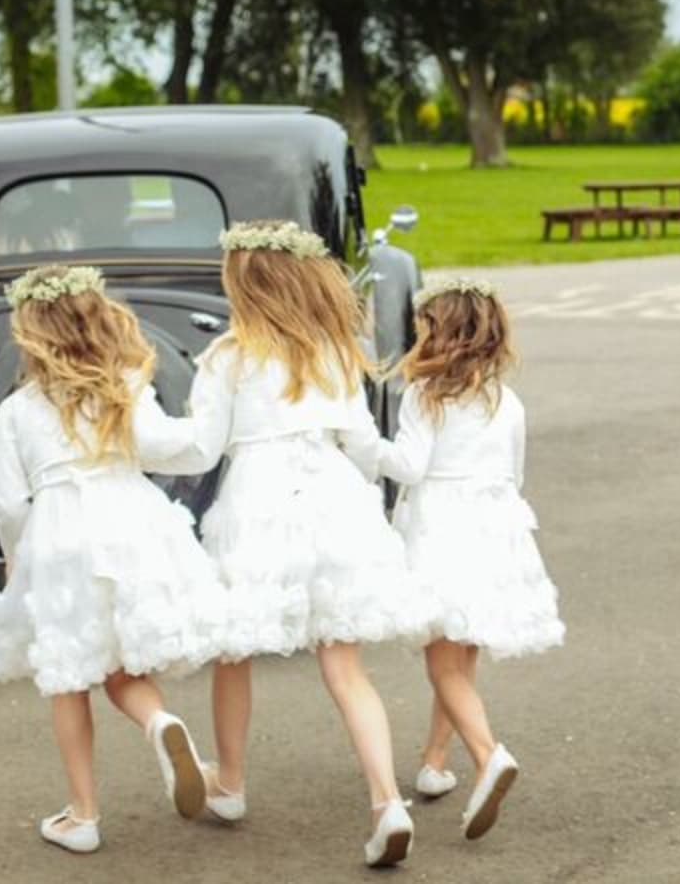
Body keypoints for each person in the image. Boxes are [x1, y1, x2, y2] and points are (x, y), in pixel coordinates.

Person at [155, 219, 431, 867]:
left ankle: (230, 783)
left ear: (241, 285)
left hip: (259, 505)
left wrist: (131, 438)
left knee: (234, 650)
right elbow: (363, 446)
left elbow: (200, 448)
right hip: (334, 496)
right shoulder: (333, 347)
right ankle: (386, 800)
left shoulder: (229, 356)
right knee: (344, 665)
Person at [0, 264, 227, 854]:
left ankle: (83, 815)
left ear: (29, 331)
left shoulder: (15, 411)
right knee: (123, 671)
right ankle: (160, 725)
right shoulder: (123, 388)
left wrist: (16, 557)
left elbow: (9, 504)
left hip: (59, 538)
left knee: (70, 678)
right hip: (131, 523)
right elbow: (170, 448)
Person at [378, 276, 565, 841]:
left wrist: (363, 445)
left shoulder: (424, 396)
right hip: (496, 527)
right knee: (463, 651)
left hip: (441, 529)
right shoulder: (507, 401)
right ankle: (435, 763)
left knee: (441, 660)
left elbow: (409, 467)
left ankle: (487, 755)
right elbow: (515, 473)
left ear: (444, 334)